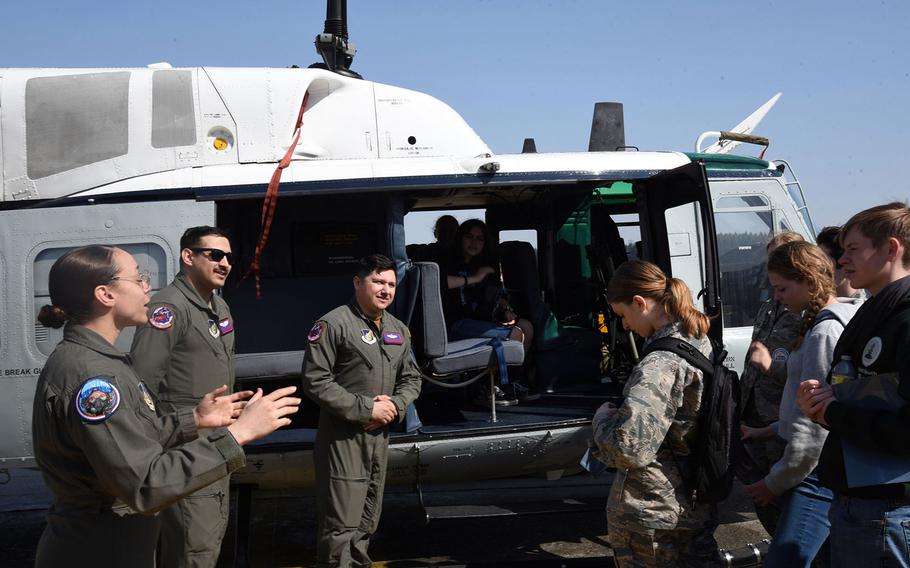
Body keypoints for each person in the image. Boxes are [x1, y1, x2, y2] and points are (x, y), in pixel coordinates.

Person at [31, 245, 300, 568]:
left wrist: (194, 420)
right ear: (105, 294)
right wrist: (237, 434)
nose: (148, 287)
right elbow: (145, 485)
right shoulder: (94, 377)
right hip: (101, 550)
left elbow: (129, 441)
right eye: (138, 278)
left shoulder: (97, 361)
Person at [798, 202, 910, 568]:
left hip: (886, 509)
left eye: (853, 250)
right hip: (860, 503)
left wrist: (835, 411)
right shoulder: (875, 312)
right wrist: (823, 405)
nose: (841, 260)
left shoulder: (903, 321)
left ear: (891, 249)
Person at [592, 260, 720, 567]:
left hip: (652, 511)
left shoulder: (659, 364)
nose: (624, 326)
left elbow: (629, 449)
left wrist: (601, 421)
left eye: (623, 315)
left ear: (640, 302)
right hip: (692, 499)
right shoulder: (697, 339)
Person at [741, 241, 859, 567]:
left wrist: (773, 482)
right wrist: (769, 430)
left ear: (809, 281)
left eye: (782, 288)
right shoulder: (829, 321)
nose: (777, 297)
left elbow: (813, 426)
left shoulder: (823, 333)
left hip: (815, 474)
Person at [302, 253, 423, 567]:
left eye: (391, 284)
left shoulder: (399, 329)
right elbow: (315, 380)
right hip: (343, 438)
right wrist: (366, 409)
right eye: (378, 281)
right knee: (340, 525)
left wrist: (394, 406)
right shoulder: (333, 324)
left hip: (378, 439)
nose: (386, 290)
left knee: (368, 520)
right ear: (358, 282)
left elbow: (412, 378)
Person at [129, 226, 238, 567]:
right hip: (187, 446)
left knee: (208, 539)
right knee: (193, 547)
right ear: (188, 256)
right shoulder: (168, 309)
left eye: (229, 257)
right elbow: (142, 383)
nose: (225, 263)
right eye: (215, 255)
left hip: (216, 441)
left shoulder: (218, 307)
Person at [738, 230, 805, 534]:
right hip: (756, 414)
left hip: (783, 417)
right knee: (762, 492)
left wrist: (770, 367)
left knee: (788, 494)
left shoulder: (806, 313)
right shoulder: (770, 305)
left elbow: (806, 371)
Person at [439, 219, 534, 404]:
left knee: (526, 327)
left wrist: (506, 310)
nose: (474, 243)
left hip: (480, 321)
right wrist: (475, 278)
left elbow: (498, 293)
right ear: (460, 238)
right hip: (453, 324)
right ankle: (490, 387)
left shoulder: (485, 265)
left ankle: (510, 382)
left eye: (479, 239)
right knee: (514, 334)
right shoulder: (446, 260)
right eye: (469, 237)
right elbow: (440, 283)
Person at [816, 225, 866, 300]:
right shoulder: (819, 301)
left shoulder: (860, 308)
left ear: (843, 262)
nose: (816, 265)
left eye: (822, 259)